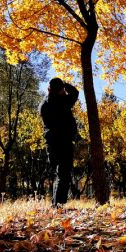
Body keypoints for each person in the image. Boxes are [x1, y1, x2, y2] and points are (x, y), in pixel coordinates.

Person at [39, 77, 79, 207]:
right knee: (63, 174)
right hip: (64, 142)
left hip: (52, 144)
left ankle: (56, 204)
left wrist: (60, 88)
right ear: (60, 90)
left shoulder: (44, 104)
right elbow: (75, 93)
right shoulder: (63, 102)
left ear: (49, 89)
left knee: (60, 174)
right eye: (62, 89)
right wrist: (65, 85)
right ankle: (58, 205)